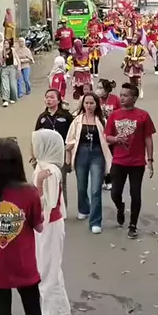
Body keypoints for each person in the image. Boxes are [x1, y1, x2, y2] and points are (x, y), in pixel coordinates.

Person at [0, 139, 44, 315]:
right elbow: (39, 226)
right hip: (22, 261)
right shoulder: (29, 192)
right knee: (33, 309)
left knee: (1, 311)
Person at [104, 83, 155, 239]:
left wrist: (150, 160)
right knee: (115, 193)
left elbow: (148, 138)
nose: (122, 98)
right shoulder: (114, 115)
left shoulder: (143, 115)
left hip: (137, 163)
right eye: (121, 95)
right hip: (118, 161)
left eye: (126, 95)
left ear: (134, 98)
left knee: (135, 193)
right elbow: (107, 137)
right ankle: (120, 207)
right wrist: (116, 139)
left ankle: (133, 225)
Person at [31, 129, 71, 315]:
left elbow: (48, 203)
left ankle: (51, 314)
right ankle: (62, 311)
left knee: (46, 274)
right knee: (52, 270)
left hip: (49, 225)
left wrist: (38, 184)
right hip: (46, 225)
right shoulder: (42, 165)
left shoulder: (49, 171)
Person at [66, 93, 112, 233]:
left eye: (92, 103)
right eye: (86, 103)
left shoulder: (102, 120)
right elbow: (70, 138)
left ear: (97, 104)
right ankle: (83, 208)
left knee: (96, 189)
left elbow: (107, 139)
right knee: (81, 186)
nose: (89, 106)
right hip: (81, 154)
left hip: (97, 155)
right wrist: (69, 149)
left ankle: (95, 221)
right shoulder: (77, 120)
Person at [35, 89, 74, 207]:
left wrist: (70, 153)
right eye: (47, 97)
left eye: (52, 97)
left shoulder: (66, 116)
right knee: (46, 182)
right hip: (46, 156)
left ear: (58, 100)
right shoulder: (42, 117)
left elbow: (74, 134)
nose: (48, 99)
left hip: (61, 154)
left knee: (61, 183)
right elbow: (36, 137)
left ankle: (62, 210)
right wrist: (34, 156)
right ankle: (48, 209)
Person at [0, 35, 19, 107]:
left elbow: (17, 59)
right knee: (5, 85)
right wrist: (4, 58)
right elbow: (0, 62)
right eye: (4, 43)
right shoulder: (2, 51)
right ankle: (5, 100)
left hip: (12, 68)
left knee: (12, 85)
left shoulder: (12, 50)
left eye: (7, 43)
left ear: (9, 44)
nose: (5, 45)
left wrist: (19, 69)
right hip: (4, 68)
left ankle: (13, 97)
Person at [122, 34, 147, 100]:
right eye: (133, 37)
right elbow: (127, 55)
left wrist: (138, 60)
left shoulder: (141, 47)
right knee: (131, 80)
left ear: (138, 39)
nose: (134, 39)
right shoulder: (130, 46)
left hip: (137, 65)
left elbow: (144, 55)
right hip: (130, 65)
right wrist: (124, 62)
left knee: (138, 80)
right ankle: (133, 93)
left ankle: (141, 90)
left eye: (136, 37)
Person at [87, 13, 104, 77]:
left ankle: (96, 72)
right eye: (92, 14)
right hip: (91, 43)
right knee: (90, 59)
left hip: (97, 43)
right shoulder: (89, 21)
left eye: (94, 14)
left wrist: (99, 37)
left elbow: (101, 31)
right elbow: (87, 30)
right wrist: (89, 38)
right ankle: (91, 72)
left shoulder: (98, 22)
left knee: (96, 59)